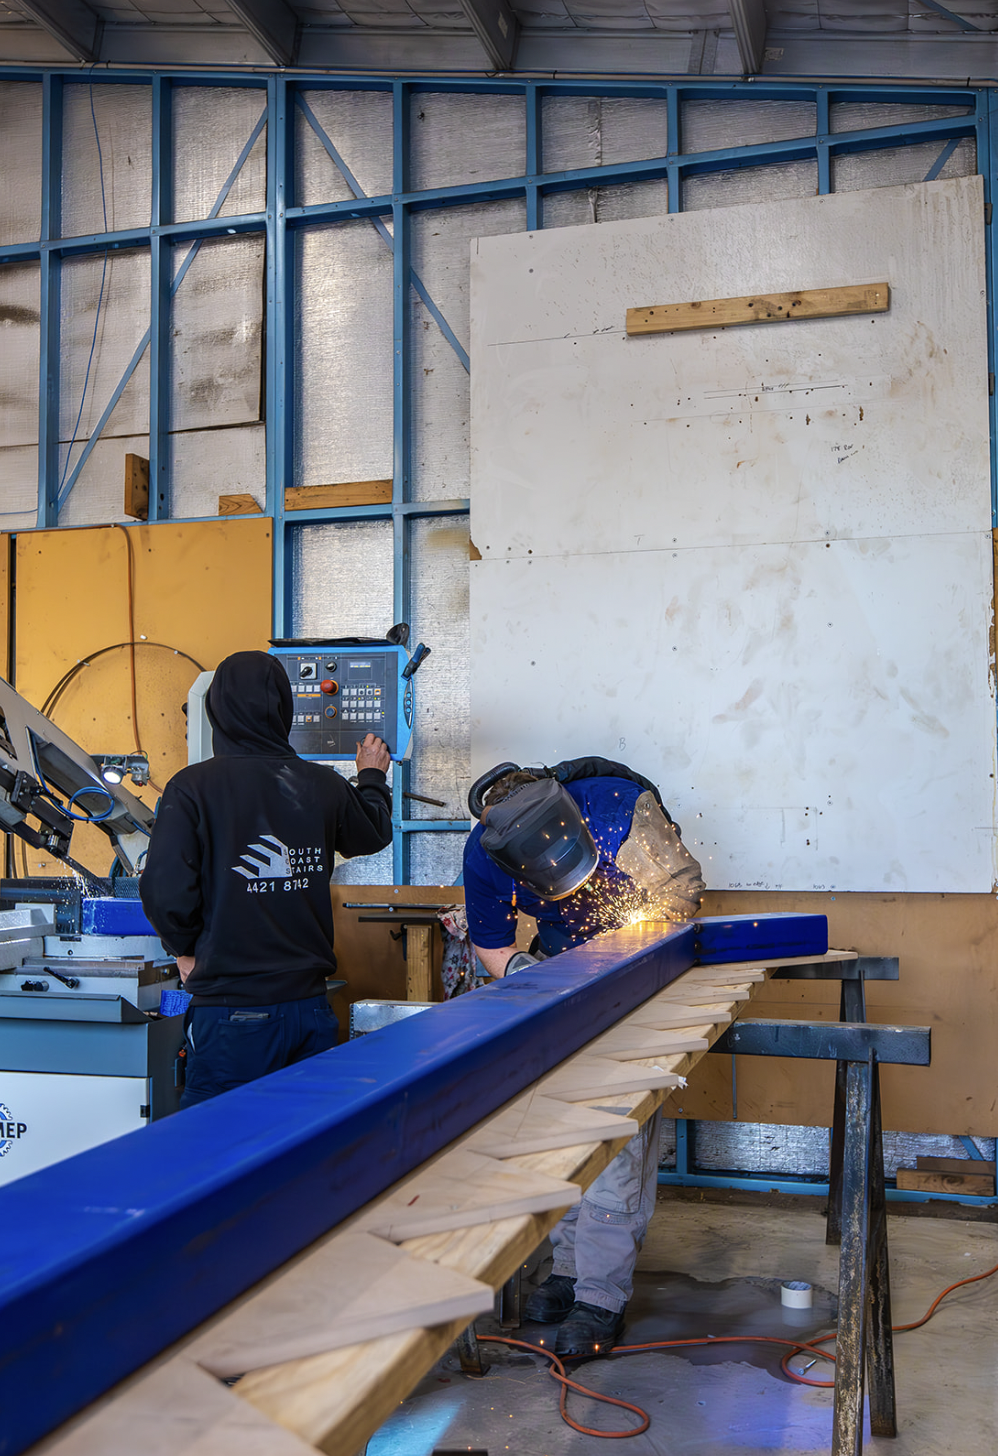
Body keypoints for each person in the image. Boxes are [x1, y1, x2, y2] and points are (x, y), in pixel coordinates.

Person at [462, 755, 705, 1357]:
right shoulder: (484, 852)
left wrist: (627, 967)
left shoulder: (619, 808)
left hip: (641, 974)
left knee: (615, 1145)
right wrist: (532, 980)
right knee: (558, 1137)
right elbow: (491, 943)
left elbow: (681, 905)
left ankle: (601, 1296)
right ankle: (568, 1270)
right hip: (561, 975)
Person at [140, 650, 393, 1108]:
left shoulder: (191, 788)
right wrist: (372, 777)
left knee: (223, 1149)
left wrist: (184, 949)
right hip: (309, 1009)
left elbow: (165, 890)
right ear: (284, 708)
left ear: (216, 709)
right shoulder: (320, 784)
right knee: (303, 1145)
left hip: (231, 1012)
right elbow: (371, 833)